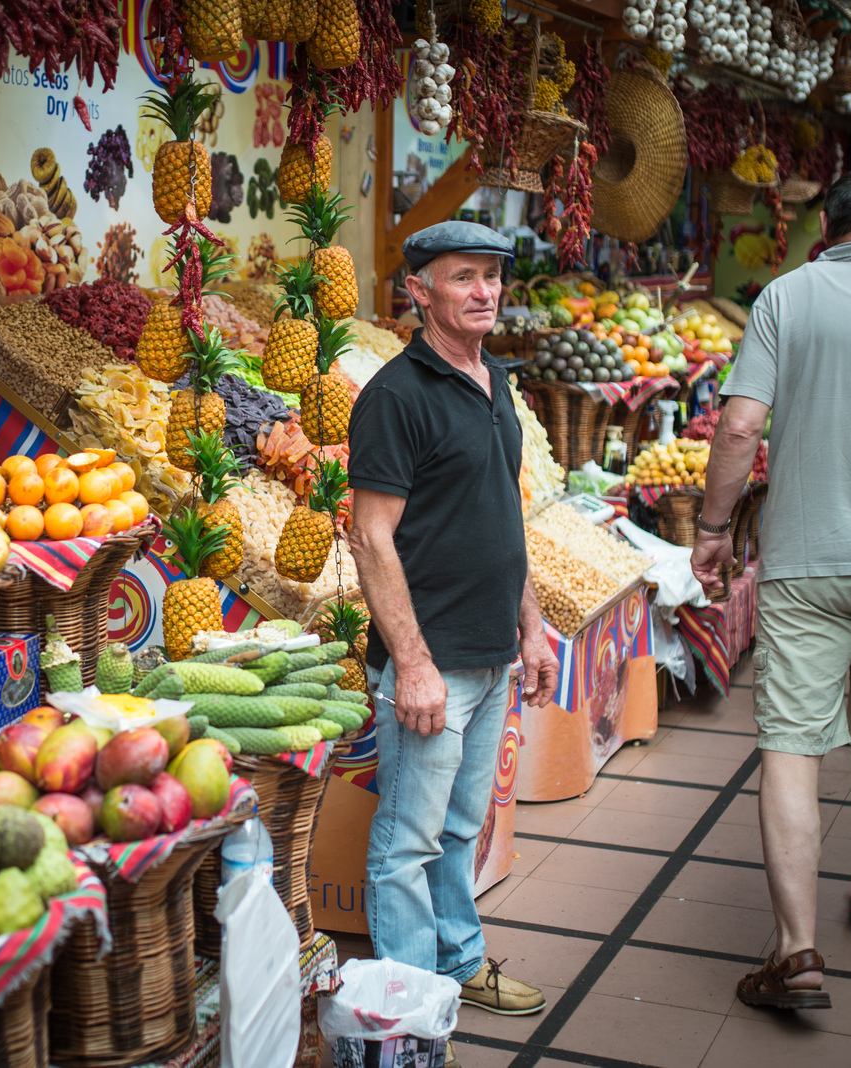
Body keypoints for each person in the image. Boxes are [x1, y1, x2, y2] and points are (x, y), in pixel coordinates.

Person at [347, 222, 561, 1037]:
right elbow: (371, 536)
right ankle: (405, 1012)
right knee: (407, 842)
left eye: (493, 277)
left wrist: (532, 629)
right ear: (419, 291)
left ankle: (460, 964)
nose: (484, 291)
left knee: (461, 828)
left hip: (491, 652)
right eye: (464, 276)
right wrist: (413, 665)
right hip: (432, 662)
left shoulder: (493, 379)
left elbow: (504, 518)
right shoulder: (396, 395)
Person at [690, 167, 851, 1011]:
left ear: (829, 229)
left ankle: (798, 952)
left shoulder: (787, 296)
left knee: (792, 745)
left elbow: (739, 423)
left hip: (809, 560)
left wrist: (710, 528)